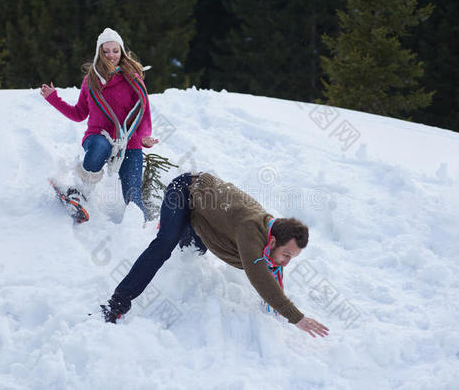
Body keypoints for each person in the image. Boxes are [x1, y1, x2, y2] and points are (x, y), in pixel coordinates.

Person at [102, 172, 330, 338]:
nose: (286, 263)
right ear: (272, 240)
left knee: (197, 249)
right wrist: (296, 317)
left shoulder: (272, 231)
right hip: (184, 191)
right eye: (287, 254)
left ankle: (181, 226)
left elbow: (270, 269)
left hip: (205, 215)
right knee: (164, 245)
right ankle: (118, 302)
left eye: (292, 257)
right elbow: (259, 275)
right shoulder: (251, 230)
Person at [40, 28, 158, 220]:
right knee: (100, 145)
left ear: (122, 52)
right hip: (98, 136)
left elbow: (143, 112)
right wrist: (54, 99)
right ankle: (79, 191)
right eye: (106, 51)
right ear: (99, 53)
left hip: (128, 141)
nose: (111, 55)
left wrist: (144, 136)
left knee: (133, 197)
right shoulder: (91, 81)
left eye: (115, 50)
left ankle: (144, 229)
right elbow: (79, 113)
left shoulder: (134, 80)